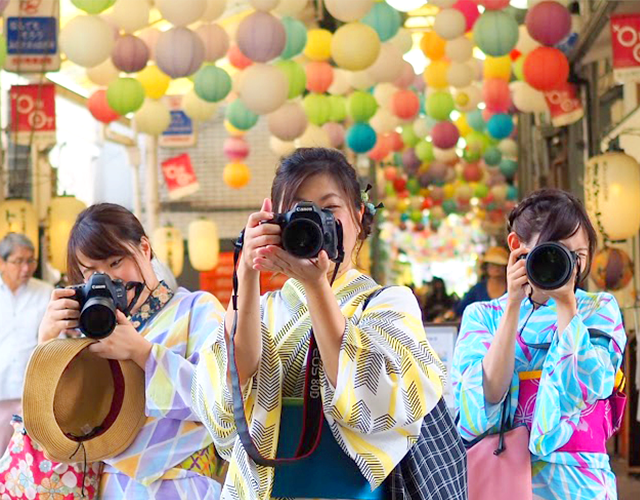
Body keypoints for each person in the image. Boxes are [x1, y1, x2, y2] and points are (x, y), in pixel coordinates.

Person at [193, 148, 465, 500]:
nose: (313, 222)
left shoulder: (388, 302)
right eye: (296, 212)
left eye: (328, 208)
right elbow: (226, 391)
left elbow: (378, 401)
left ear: (357, 214)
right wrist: (245, 273)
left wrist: (316, 286)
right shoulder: (261, 306)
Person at [34, 203, 226, 499]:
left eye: (114, 263)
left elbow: (220, 401)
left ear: (145, 249)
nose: (108, 280)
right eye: (91, 272)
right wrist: (47, 343)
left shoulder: (197, 309)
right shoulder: (85, 334)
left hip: (183, 485)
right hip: (109, 488)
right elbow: (54, 429)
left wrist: (144, 353)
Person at [452, 189, 627, 499]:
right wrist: (512, 308)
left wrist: (567, 308)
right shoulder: (483, 315)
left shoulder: (599, 309)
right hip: (503, 478)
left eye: (579, 256)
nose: (568, 266)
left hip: (579, 482)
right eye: (556, 251)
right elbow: (484, 398)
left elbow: (589, 387)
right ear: (517, 247)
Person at [0, 233, 52, 452]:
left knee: (25, 458)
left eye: (31, 260)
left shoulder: (45, 292)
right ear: (2, 262)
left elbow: (52, 344)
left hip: (29, 392)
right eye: (19, 261)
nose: (26, 268)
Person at [455, 246, 508, 317]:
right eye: (492, 265)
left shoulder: (514, 288)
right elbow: (460, 309)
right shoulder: (478, 289)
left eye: (499, 265)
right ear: (486, 267)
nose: (496, 268)